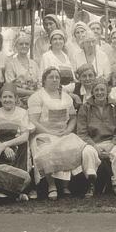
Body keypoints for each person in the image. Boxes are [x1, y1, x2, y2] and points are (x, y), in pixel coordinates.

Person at [28, 67, 86, 199]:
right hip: (43, 133)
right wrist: (50, 132)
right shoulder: (37, 97)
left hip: (63, 133)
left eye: (57, 77)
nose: (54, 80)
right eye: (51, 77)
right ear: (44, 80)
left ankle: (65, 185)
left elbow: (73, 118)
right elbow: (33, 121)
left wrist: (67, 130)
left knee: (73, 147)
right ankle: (51, 185)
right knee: (47, 149)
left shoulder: (66, 98)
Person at [77, 80, 116, 198]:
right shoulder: (85, 108)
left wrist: (112, 144)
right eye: (96, 90)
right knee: (87, 152)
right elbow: (82, 133)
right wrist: (95, 146)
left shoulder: (115, 106)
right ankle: (91, 184)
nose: (99, 92)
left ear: (107, 91)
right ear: (92, 92)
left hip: (112, 142)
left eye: (102, 89)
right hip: (93, 143)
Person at [4, 32, 41, 106]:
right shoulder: (11, 64)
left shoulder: (34, 63)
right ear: (16, 46)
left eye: (27, 44)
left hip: (35, 100)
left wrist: (35, 96)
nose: (24, 46)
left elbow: (40, 83)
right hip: (18, 101)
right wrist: (31, 93)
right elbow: (11, 87)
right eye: (21, 44)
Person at [39, 29, 76, 94]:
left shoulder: (66, 56)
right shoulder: (46, 56)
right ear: (51, 42)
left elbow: (72, 79)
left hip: (69, 94)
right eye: (55, 39)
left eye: (60, 39)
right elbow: (43, 80)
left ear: (64, 41)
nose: (58, 41)